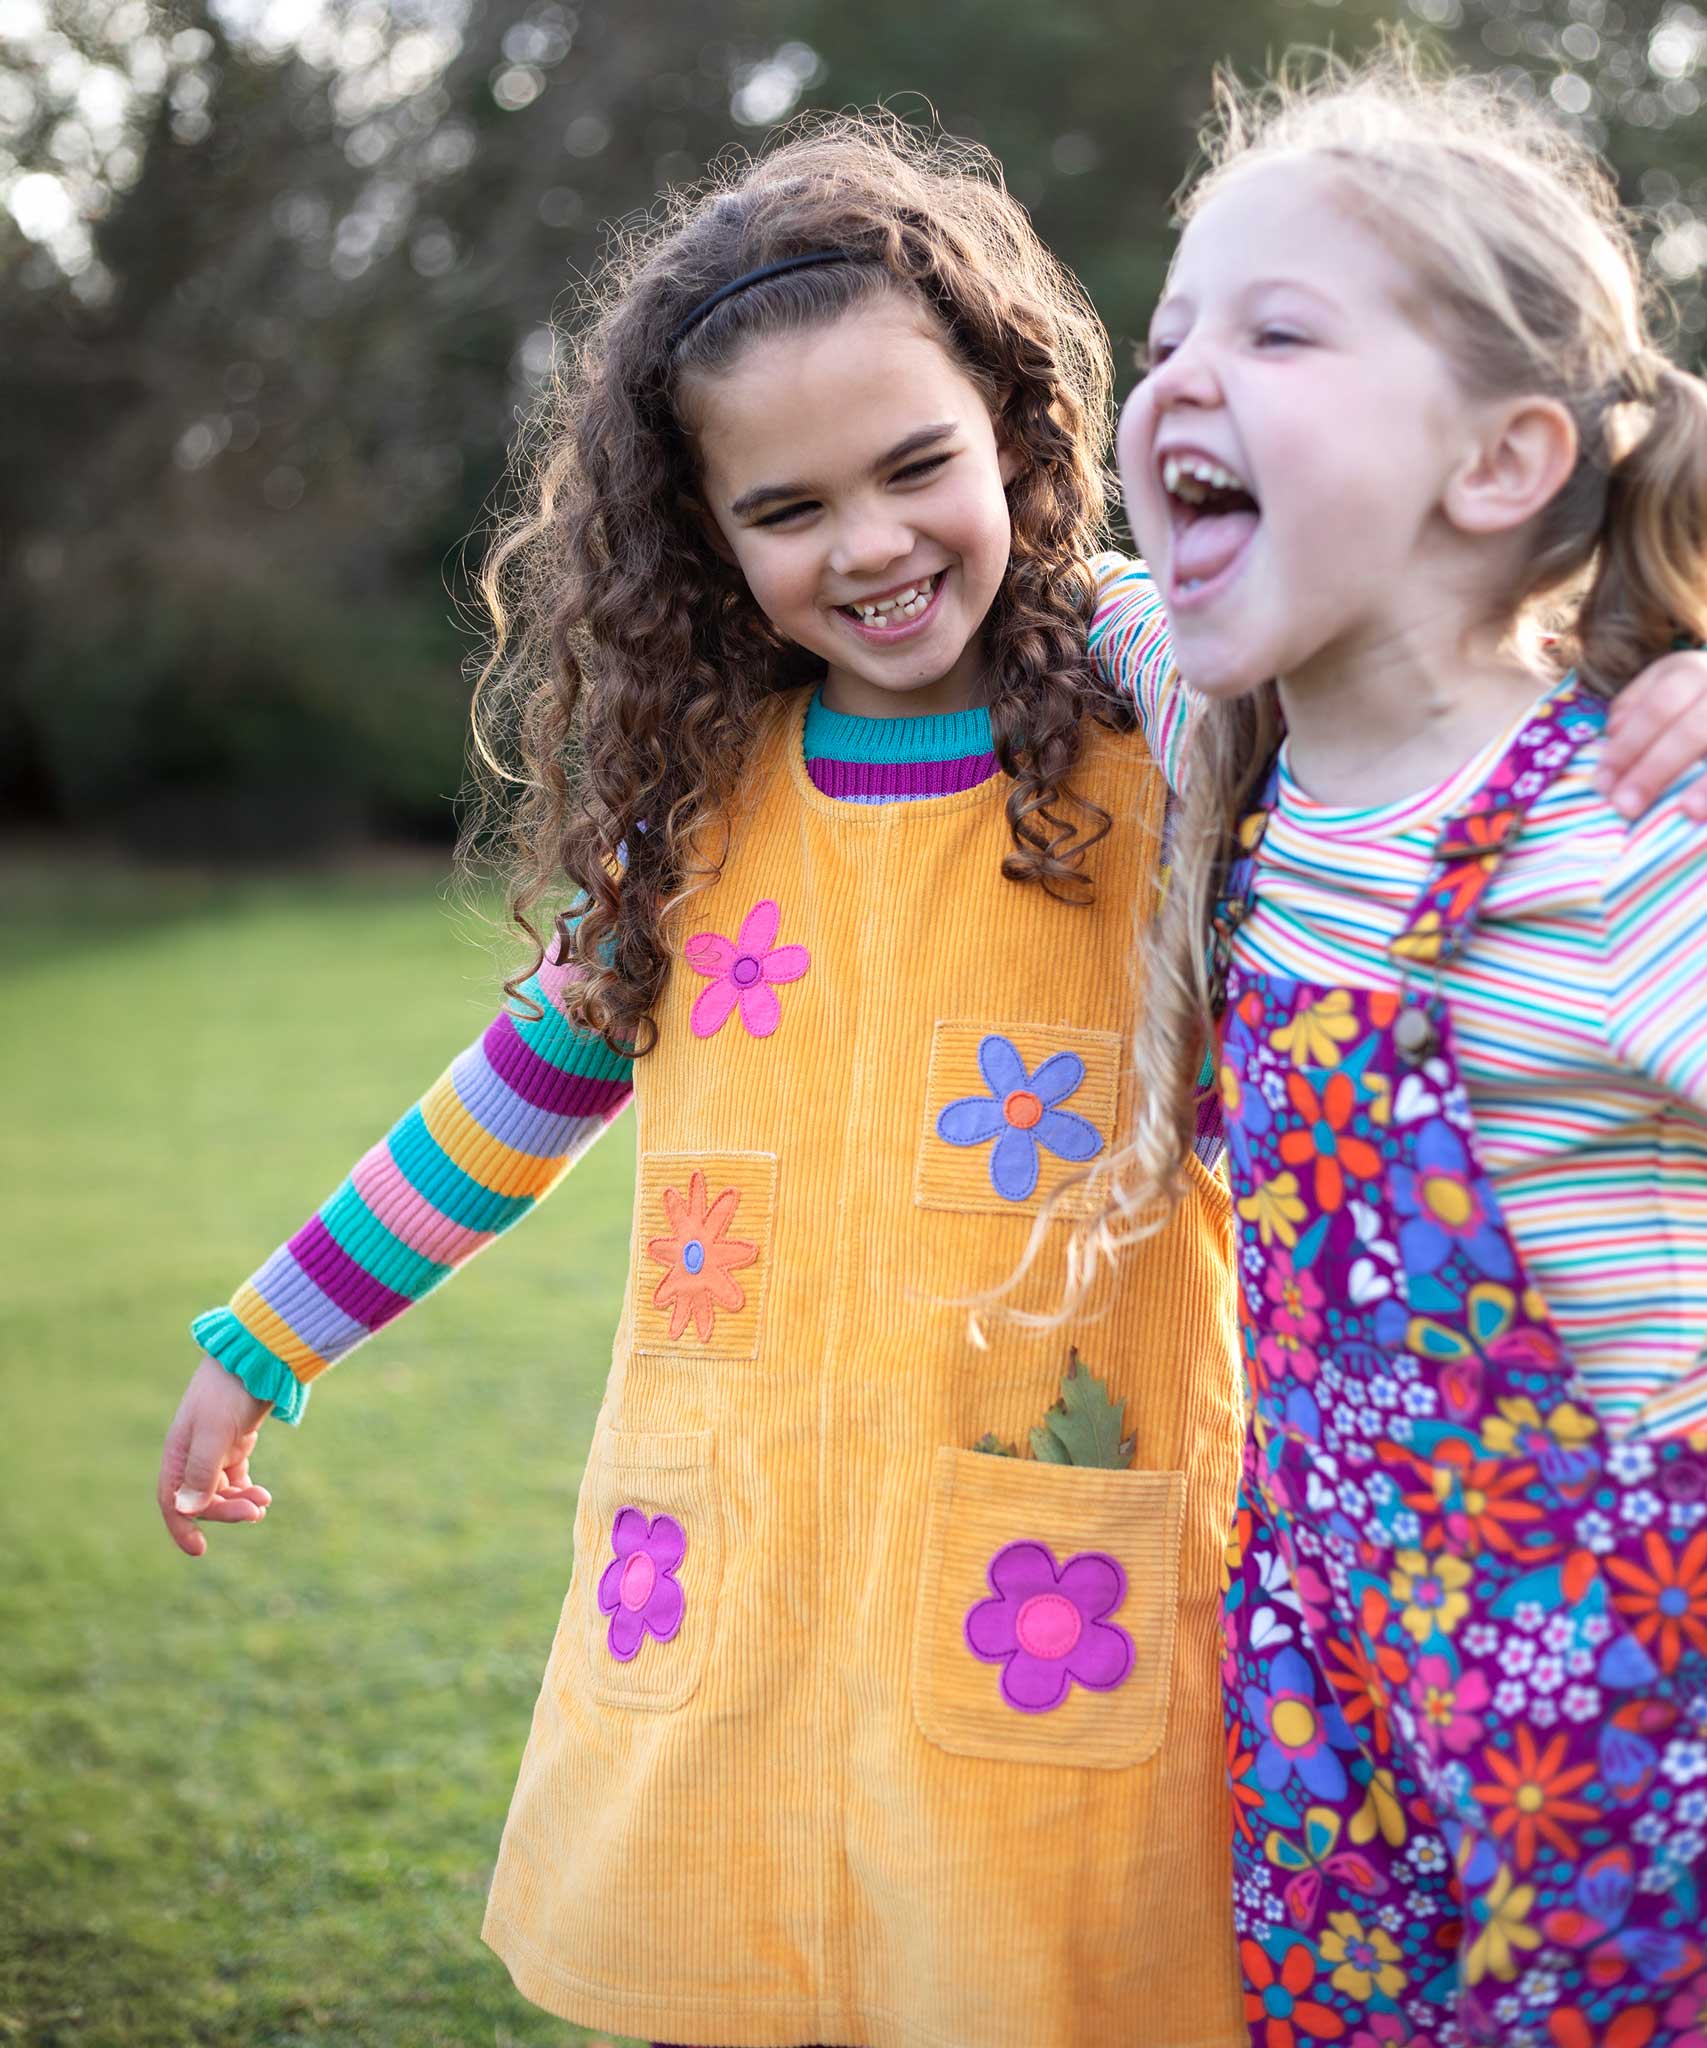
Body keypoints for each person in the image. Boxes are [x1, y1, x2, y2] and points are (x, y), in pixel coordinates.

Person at [156, 105, 1707, 2048]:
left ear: (1016, 437)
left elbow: (1439, 621)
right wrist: (274, 1328)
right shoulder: (697, 810)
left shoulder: (1168, 708)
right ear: (702, 540)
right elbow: (519, 1086)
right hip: (745, 1561)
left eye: (915, 468)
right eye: (786, 509)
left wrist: (1666, 647)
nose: (871, 544)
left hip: (1071, 1589)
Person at [1096, 43, 1707, 2048]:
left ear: (1499, 462)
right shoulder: (1244, 771)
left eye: (1273, 330)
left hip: (1621, 1749)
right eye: (1165, 327)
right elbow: (988, 570)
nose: (1174, 375)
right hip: (1339, 1706)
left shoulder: (1620, 837)